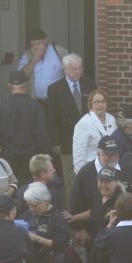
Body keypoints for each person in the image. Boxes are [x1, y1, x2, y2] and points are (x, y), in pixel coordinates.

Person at [44, 53, 94, 184]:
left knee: (89, 177)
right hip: (67, 141)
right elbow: (52, 118)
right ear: (65, 70)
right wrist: (55, 142)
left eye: (80, 68)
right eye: (74, 69)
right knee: (71, 180)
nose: (78, 72)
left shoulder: (90, 84)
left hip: (88, 140)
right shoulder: (55, 89)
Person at [0, 69, 51, 173]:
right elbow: (41, 134)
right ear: (26, 86)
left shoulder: (2, 107)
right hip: (31, 157)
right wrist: (45, 154)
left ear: (9, 86)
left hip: (8, 157)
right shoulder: (35, 106)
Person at [21, 182, 75, 263]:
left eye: (35, 205)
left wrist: (38, 239)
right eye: (29, 205)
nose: (31, 209)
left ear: (46, 201)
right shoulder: (27, 214)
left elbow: (61, 244)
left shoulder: (57, 218)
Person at [71, 88, 119, 172]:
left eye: (103, 101)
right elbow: (78, 154)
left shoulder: (111, 119)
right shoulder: (83, 123)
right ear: (91, 105)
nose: (100, 105)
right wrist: (81, 175)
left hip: (110, 167)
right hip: (91, 168)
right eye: (96, 102)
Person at [16, 27, 67, 102]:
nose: (36, 47)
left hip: (57, 100)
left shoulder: (59, 51)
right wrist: (33, 60)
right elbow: (21, 76)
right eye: (33, 44)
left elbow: (74, 70)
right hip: (35, 101)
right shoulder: (27, 55)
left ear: (45, 41)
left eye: (38, 44)